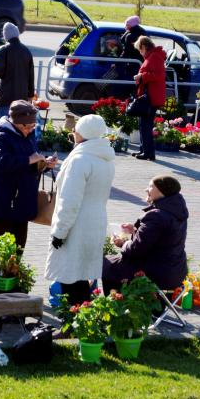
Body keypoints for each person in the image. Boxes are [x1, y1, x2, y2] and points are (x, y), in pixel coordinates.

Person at [45, 115, 116, 306]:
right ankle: (84, 321)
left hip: (76, 224)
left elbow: (70, 201)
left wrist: (60, 232)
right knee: (82, 276)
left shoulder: (80, 159)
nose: (73, 133)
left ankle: (74, 324)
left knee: (70, 277)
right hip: (96, 220)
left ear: (82, 133)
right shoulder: (106, 157)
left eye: (75, 129)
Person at [0, 100, 56, 251]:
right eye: (28, 126)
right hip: (3, 204)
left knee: (17, 251)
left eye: (33, 126)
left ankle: (12, 274)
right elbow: (1, 162)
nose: (30, 130)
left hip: (22, 204)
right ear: (17, 123)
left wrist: (44, 164)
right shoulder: (0, 136)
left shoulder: (28, 136)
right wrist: (30, 159)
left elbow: (29, 167)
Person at [102, 175, 188, 294]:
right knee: (113, 264)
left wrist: (122, 243)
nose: (146, 189)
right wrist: (135, 230)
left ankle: (118, 305)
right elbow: (162, 239)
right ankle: (154, 306)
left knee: (106, 264)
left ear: (162, 191)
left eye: (151, 186)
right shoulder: (177, 210)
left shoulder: (156, 216)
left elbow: (135, 250)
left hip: (156, 273)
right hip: (176, 271)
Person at [131, 36, 166, 161]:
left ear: (144, 47)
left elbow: (158, 75)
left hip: (152, 96)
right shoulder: (152, 56)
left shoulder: (155, 57)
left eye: (140, 50)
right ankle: (144, 150)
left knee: (146, 125)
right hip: (149, 95)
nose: (140, 53)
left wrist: (141, 76)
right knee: (143, 124)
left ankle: (148, 153)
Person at [0, 22, 34, 120]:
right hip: (22, 98)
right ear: (17, 34)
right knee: (18, 128)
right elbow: (31, 76)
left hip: (6, 97)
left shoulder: (3, 50)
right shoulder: (26, 51)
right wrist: (30, 95)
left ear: (6, 36)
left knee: (4, 127)